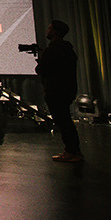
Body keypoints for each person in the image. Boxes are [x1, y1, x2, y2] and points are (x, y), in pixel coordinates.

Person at [37, 19, 82, 162]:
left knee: (64, 122)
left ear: (55, 32)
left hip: (56, 91)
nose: (47, 31)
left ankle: (72, 152)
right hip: (66, 90)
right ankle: (72, 151)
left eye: (50, 28)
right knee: (65, 121)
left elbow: (41, 69)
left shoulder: (54, 49)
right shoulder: (67, 49)